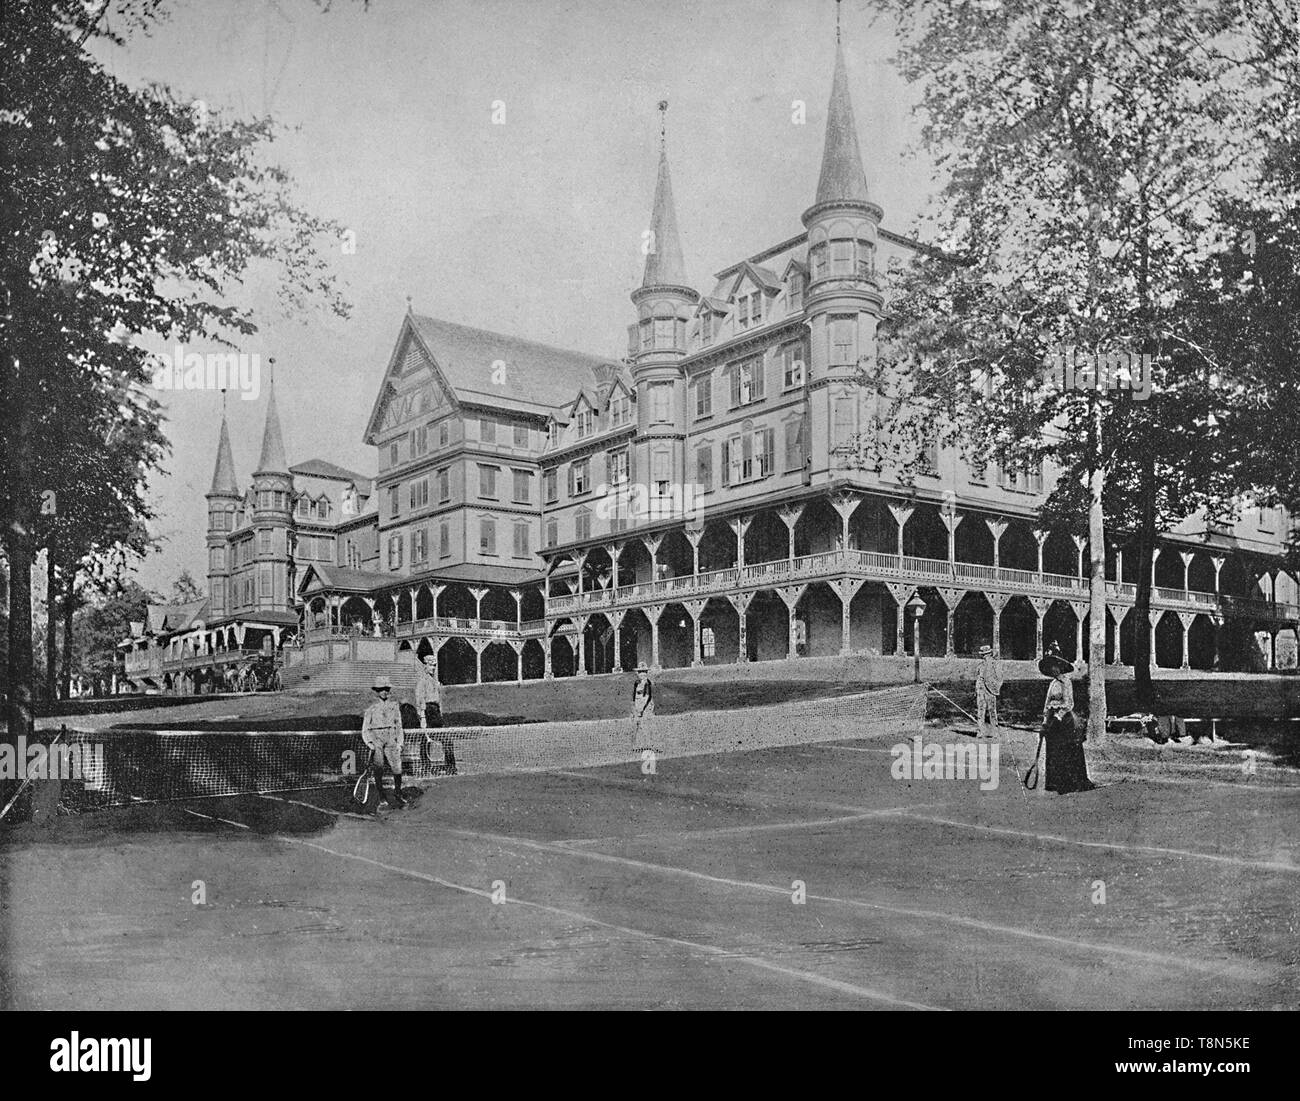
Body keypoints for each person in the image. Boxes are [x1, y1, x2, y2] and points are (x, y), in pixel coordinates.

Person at [1039, 643, 1095, 794]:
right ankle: (1054, 782)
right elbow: (1047, 704)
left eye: (1055, 666)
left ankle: (1070, 782)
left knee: (1066, 749)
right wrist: (1045, 722)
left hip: (1065, 720)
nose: (1053, 669)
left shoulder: (1066, 682)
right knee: (1053, 749)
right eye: (1050, 667)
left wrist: (1059, 717)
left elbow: (1069, 703)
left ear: (1060, 666)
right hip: (1052, 719)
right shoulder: (1052, 684)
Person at [361, 675, 406, 809]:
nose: (384, 692)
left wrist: (400, 742)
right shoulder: (371, 708)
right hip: (377, 740)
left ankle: (398, 793)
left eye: (386, 689)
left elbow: (399, 725)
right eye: (381, 689)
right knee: (379, 769)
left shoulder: (394, 706)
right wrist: (370, 743)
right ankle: (381, 796)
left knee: (397, 768)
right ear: (376, 691)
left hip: (391, 738)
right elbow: (365, 728)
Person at [974, 644, 1002, 738]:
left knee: (992, 711)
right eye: (983, 654)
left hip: (990, 690)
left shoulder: (995, 664)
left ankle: (995, 731)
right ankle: (980, 731)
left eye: (986, 654)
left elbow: (999, 678)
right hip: (981, 689)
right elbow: (978, 678)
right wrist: (977, 689)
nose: (985, 656)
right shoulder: (980, 666)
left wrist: (995, 689)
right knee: (981, 710)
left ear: (989, 654)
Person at [416, 653, 443, 729]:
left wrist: (440, 710)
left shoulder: (435, 681)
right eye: (431, 665)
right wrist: (422, 715)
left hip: (435, 709)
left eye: (434, 665)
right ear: (425, 666)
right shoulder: (422, 680)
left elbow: (439, 698)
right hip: (428, 710)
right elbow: (420, 698)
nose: (433, 668)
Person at [630, 663, 654, 747]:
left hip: (645, 706)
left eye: (644, 672)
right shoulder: (637, 682)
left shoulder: (647, 683)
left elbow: (647, 697)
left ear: (646, 673)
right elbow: (634, 696)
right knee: (635, 724)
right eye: (640, 672)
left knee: (644, 725)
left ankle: (647, 744)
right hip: (637, 705)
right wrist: (633, 707)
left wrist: (641, 709)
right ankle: (634, 744)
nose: (642, 674)